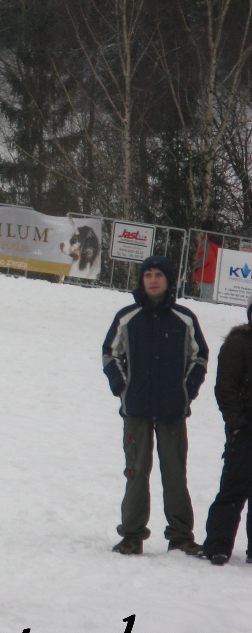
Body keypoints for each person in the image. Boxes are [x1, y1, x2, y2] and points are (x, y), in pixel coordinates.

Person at [102, 255, 208, 556]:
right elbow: (110, 354)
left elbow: (199, 357)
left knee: (175, 473)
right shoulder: (127, 316)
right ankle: (132, 535)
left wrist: (186, 392)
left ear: (168, 280)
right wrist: (122, 388)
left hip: (172, 411)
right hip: (135, 409)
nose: (152, 280)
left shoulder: (184, 318)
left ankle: (181, 535)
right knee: (137, 472)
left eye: (158, 274)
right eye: (147, 274)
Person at [200, 296, 252, 566]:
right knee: (233, 490)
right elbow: (225, 389)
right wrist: (237, 425)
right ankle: (218, 545)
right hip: (244, 430)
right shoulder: (237, 345)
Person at [191, 229, 223, 300]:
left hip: (205, 274)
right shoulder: (216, 243)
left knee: (208, 299)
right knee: (211, 298)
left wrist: (195, 265)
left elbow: (206, 257)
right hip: (214, 274)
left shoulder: (205, 243)